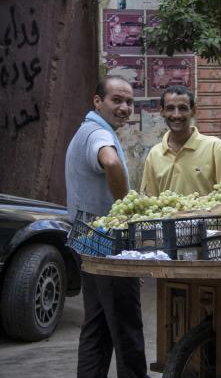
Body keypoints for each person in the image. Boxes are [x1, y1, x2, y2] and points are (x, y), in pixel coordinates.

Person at [65, 75, 148, 378]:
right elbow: (110, 163)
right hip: (105, 240)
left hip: (86, 236)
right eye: (117, 100)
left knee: (98, 327)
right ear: (97, 101)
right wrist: (125, 207)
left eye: (129, 101)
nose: (125, 107)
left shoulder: (91, 130)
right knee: (127, 327)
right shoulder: (96, 134)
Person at [140, 85, 221, 196]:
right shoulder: (154, 154)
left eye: (182, 108)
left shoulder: (214, 147)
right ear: (162, 112)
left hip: (208, 214)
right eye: (170, 108)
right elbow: (150, 198)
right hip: (168, 214)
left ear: (193, 111)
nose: (176, 115)